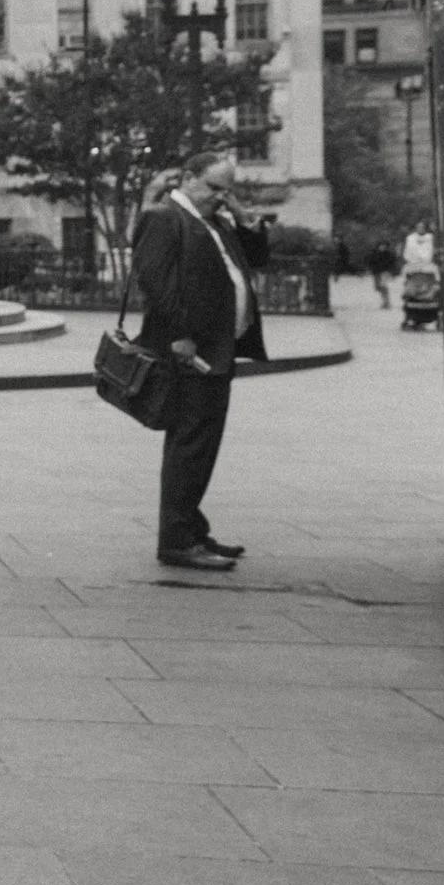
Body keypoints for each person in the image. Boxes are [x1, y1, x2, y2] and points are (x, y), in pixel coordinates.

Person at [133, 151, 271, 573]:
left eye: (227, 189)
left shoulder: (216, 221)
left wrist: (245, 218)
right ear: (189, 178)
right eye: (214, 187)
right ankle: (177, 541)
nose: (221, 196)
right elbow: (155, 283)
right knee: (190, 446)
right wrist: (180, 337)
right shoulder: (165, 218)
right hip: (190, 355)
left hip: (217, 350)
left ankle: (191, 529)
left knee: (203, 445)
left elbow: (257, 258)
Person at [366, 238, 403, 310]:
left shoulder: (388, 254)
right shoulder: (374, 253)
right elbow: (369, 262)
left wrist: (393, 272)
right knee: (377, 287)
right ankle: (385, 302)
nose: (383, 247)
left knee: (383, 286)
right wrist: (370, 268)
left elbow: (393, 261)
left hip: (385, 272)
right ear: (378, 246)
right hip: (376, 272)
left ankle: (386, 302)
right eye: (381, 246)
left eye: (384, 246)